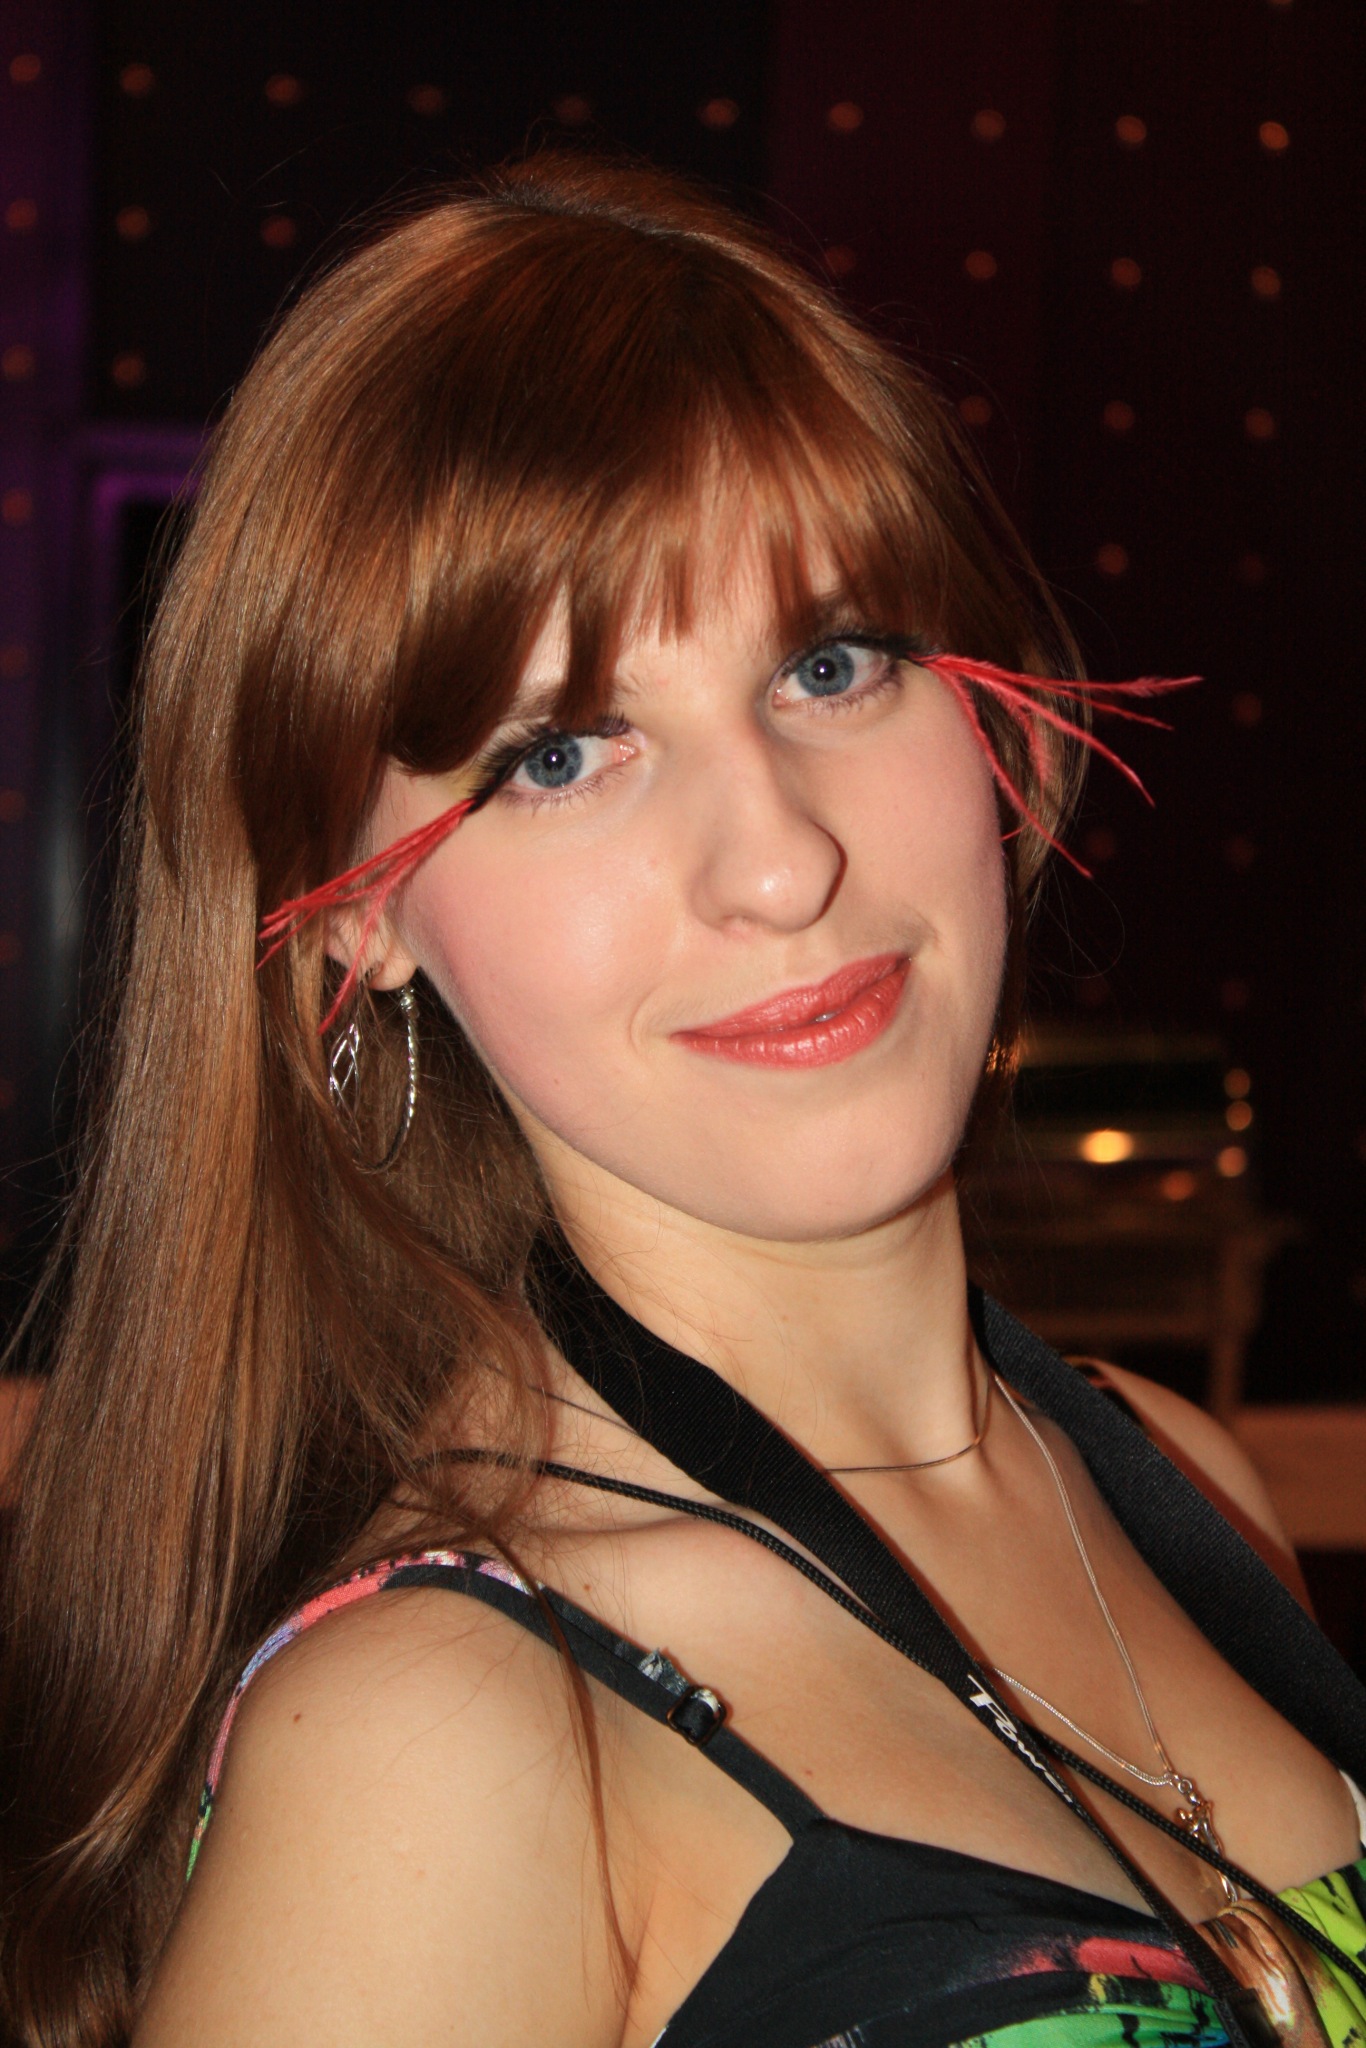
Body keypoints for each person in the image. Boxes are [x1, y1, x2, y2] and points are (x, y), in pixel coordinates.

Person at [1, 154, 1363, 2048]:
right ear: (356, 919)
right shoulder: (443, 1738)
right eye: (562, 755)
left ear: (983, 709)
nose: (781, 862)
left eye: (830, 663)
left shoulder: (1174, 1481)